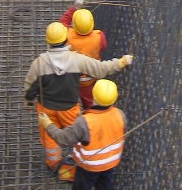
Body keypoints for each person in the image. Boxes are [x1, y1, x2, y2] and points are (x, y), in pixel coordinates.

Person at [24, 21, 132, 180]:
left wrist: (29, 101)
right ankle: (79, 164)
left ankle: (55, 166)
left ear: (48, 41)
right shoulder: (76, 60)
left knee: (50, 138)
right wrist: (122, 62)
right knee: (78, 136)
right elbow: (101, 69)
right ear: (66, 40)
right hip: (69, 108)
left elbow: (29, 89)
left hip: (46, 108)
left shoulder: (39, 64)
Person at [38, 79, 126, 190]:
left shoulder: (85, 122)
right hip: (110, 164)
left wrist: (47, 124)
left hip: (88, 167)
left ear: (94, 97)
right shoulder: (120, 115)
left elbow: (63, 138)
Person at [59, 0, 107, 108]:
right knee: (89, 103)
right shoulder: (99, 36)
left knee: (69, 102)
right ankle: (88, 116)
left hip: (70, 77)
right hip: (89, 79)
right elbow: (103, 47)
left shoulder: (67, 35)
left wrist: (75, 8)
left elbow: (63, 22)